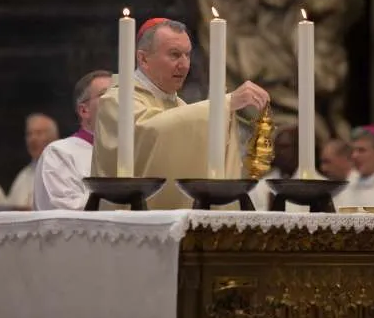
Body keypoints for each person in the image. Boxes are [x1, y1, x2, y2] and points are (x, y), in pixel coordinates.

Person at [91, 18, 270, 209]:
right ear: (143, 59)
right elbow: (150, 130)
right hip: (127, 221)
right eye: (175, 55)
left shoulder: (180, 105)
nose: (184, 65)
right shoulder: (116, 100)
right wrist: (223, 103)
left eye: (187, 55)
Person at [33, 71, 112, 210]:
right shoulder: (59, 153)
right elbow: (67, 212)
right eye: (105, 94)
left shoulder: (134, 151)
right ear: (84, 110)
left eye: (119, 94)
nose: (116, 100)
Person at [7, 113, 59, 208]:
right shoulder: (23, 176)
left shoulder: (64, 170)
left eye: (39, 133)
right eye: (29, 134)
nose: (33, 139)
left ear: (54, 138)